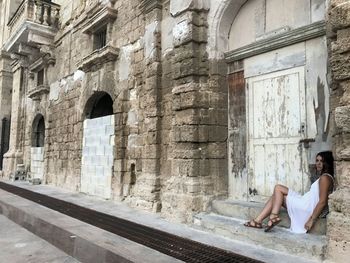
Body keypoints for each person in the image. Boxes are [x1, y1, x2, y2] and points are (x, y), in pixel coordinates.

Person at [244, 151, 334, 233]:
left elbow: (322, 201)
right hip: (304, 201)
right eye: (317, 160)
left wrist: (311, 219)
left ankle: (271, 217)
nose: (318, 163)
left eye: (321, 161)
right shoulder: (325, 177)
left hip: (307, 207)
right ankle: (258, 221)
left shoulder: (325, 178)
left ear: (327, 163)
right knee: (277, 193)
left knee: (278, 188)